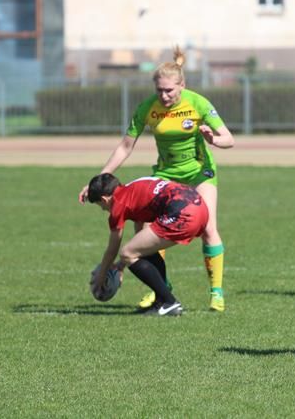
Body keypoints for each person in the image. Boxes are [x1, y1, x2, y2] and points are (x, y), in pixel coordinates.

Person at [80, 47, 234, 312]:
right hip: (166, 173)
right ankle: (160, 291)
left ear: (182, 85)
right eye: (159, 90)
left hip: (199, 172)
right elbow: (125, 147)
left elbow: (229, 139)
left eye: (169, 91)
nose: (164, 96)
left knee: (208, 228)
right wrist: (99, 180)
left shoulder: (198, 103)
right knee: (146, 231)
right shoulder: (147, 108)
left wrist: (214, 140)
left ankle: (216, 293)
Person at [88, 173, 209, 316]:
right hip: (198, 204)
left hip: (183, 213)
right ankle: (161, 301)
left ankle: (169, 302)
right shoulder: (132, 189)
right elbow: (141, 242)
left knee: (126, 253)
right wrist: (120, 266)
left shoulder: (118, 204)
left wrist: (101, 276)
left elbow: (112, 249)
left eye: (100, 205)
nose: (103, 209)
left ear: (104, 199)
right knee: (142, 251)